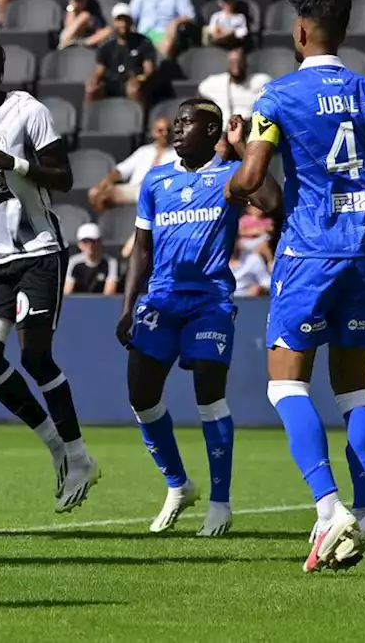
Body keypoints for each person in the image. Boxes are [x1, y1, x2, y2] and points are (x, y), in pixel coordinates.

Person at [225, 0, 365, 572]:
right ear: (342, 32)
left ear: (301, 33)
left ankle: (328, 506)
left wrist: (238, 159)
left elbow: (253, 181)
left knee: (285, 386)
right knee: (354, 391)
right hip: (361, 255)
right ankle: (363, 515)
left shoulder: (278, 96)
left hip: (308, 255)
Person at [0, 36, 99, 512]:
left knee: (35, 358)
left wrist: (16, 163)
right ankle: (55, 444)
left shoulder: (27, 110)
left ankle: (78, 453)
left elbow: (64, 176)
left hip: (39, 251)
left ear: (0, 67)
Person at [120, 101, 281, 538]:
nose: (176, 128)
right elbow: (142, 249)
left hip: (209, 301)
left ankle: (220, 502)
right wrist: (126, 305)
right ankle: (178, 484)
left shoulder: (230, 175)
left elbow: (271, 201)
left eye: (187, 122)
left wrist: (243, 146)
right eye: (175, 121)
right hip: (160, 301)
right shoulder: (156, 179)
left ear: (212, 130)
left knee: (208, 390)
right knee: (141, 396)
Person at [89, 114, 176, 212]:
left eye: (168, 130)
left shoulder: (177, 154)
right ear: (153, 133)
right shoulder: (144, 151)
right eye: (160, 131)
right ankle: (108, 224)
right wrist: (107, 181)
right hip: (133, 189)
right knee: (95, 193)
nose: (165, 133)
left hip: (158, 192)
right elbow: (122, 170)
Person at [87, 2, 156, 108]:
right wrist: (94, 80)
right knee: (91, 88)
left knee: (133, 89)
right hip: (112, 83)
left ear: (131, 21)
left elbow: (149, 70)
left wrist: (138, 79)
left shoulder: (143, 43)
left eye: (126, 20)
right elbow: (99, 71)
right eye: (119, 20)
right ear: (114, 22)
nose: (123, 24)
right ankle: (88, 119)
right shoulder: (106, 46)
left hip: (136, 82)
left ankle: (138, 121)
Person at [198, 47, 270, 121]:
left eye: (239, 62)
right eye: (232, 62)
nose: (236, 66)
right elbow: (200, 93)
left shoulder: (260, 81)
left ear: (246, 63)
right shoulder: (216, 82)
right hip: (226, 128)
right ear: (227, 65)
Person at [64, 223, 118, 295]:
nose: (90, 246)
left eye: (94, 241)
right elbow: (67, 293)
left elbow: (109, 294)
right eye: (85, 242)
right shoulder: (73, 262)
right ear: (79, 244)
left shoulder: (110, 262)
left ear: (100, 242)